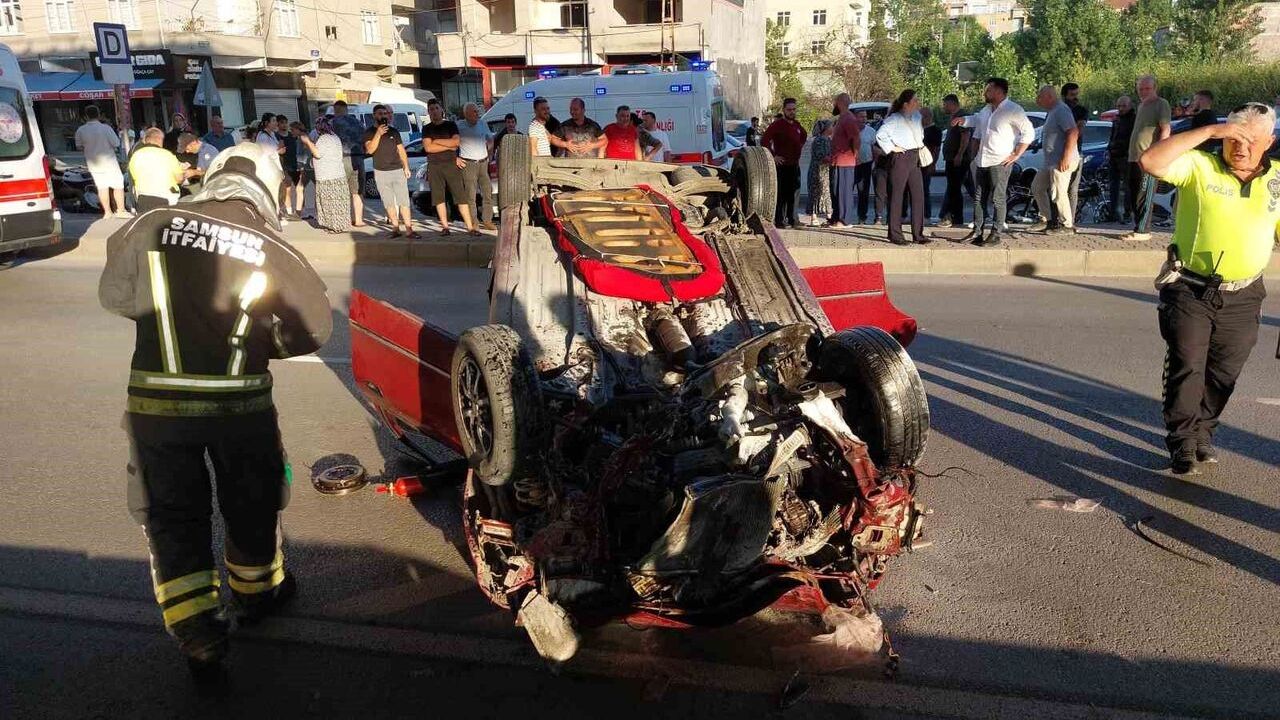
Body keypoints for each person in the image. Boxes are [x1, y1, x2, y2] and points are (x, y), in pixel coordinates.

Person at [98, 142, 332, 686]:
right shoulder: (275, 248)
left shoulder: (149, 224)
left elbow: (116, 296)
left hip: (157, 406)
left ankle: (198, 634)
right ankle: (258, 593)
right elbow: (313, 329)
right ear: (267, 187)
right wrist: (262, 343)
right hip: (240, 404)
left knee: (172, 512)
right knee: (252, 497)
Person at [1139, 102, 1277, 475]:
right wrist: (1211, 131)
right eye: (1233, 139)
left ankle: (1203, 431)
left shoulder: (1277, 180)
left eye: (1250, 140)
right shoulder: (1200, 166)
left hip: (1245, 294)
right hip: (1190, 288)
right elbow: (1150, 161)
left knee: (1224, 373)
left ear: (1269, 141)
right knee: (1187, 364)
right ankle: (1182, 441)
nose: (1240, 148)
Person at [952, 78, 1034, 247]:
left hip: (1000, 161)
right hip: (982, 160)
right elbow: (976, 121)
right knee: (978, 198)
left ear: (999, 91)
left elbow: (1029, 133)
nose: (985, 93)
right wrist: (963, 120)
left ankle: (996, 234)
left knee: (998, 198)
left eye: (988, 90)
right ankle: (977, 232)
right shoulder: (987, 109)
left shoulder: (1013, 110)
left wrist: (1016, 154)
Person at [875, 89, 929, 245]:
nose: (918, 103)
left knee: (918, 195)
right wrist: (892, 148)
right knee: (897, 195)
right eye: (915, 100)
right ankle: (895, 234)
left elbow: (920, 135)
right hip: (901, 157)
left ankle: (918, 234)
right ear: (906, 104)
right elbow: (880, 135)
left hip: (914, 156)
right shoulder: (895, 119)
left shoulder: (917, 117)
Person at [1122, 74, 1172, 241]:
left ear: (1155, 88)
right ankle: (1138, 227)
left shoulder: (1161, 104)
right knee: (1133, 193)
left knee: (1144, 194)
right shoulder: (1141, 106)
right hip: (1134, 157)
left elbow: (1165, 129)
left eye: (1147, 89)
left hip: (1149, 158)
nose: (1143, 92)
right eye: (1141, 89)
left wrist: (1160, 153)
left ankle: (1143, 230)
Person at [1028, 86, 1080, 235]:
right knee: (1037, 187)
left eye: (1040, 97)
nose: (1037, 100)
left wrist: (1066, 157)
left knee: (1059, 191)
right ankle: (1047, 219)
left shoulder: (1061, 110)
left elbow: (1073, 132)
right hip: (1050, 161)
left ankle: (1067, 225)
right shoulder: (1052, 111)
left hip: (1061, 160)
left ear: (1049, 96)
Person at [423, 98, 477, 236]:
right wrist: (448, 145)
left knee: (460, 196)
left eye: (436, 108)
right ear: (428, 112)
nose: (434, 111)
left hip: (451, 164)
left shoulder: (450, 125)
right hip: (434, 166)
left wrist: (436, 141)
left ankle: (470, 227)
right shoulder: (427, 128)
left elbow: (456, 143)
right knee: (438, 198)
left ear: (441, 109)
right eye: (431, 109)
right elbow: (428, 148)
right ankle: (445, 227)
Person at [364, 103, 417, 238]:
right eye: (380, 114)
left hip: (397, 170)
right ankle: (395, 228)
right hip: (381, 172)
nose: (383, 116)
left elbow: (401, 150)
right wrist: (378, 133)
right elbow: (370, 150)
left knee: (404, 201)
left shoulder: (394, 131)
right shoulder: (369, 132)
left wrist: (406, 166)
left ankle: (409, 229)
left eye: (385, 114)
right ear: (374, 116)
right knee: (388, 202)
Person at [74, 105, 127, 219]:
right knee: (118, 186)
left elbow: (79, 146)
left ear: (86, 116)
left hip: (93, 164)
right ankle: (121, 210)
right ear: (98, 115)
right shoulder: (106, 128)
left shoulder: (80, 130)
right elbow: (116, 143)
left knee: (102, 187)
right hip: (110, 162)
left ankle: (107, 212)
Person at [761, 97, 807, 228]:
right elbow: (764, 141)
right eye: (789, 110)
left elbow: (803, 137)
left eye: (794, 109)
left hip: (794, 165)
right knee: (781, 194)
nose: (792, 112)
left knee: (794, 193)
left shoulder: (797, 125)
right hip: (782, 166)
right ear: (784, 110)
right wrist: (773, 156)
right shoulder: (777, 125)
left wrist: (797, 148)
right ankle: (779, 220)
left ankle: (793, 219)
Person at [128, 127, 188, 213]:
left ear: (146, 140)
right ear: (160, 140)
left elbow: (133, 177)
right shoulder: (168, 155)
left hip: (143, 198)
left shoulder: (135, 156)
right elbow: (179, 179)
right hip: (166, 198)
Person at [457, 102, 496, 231]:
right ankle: (474, 222)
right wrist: (455, 158)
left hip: (483, 163)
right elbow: (452, 142)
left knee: (487, 192)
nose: (477, 113)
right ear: (466, 114)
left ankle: (487, 221)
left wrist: (490, 154)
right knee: (471, 195)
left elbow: (490, 139)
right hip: (468, 164)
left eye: (477, 111)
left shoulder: (482, 123)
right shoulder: (459, 126)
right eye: (474, 111)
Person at [311, 116, 352, 232]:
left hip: (328, 177)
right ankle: (340, 225)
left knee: (330, 203)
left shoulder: (324, 139)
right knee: (339, 202)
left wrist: (308, 143)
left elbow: (317, 154)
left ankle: (335, 227)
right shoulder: (335, 137)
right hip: (338, 174)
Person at [331, 100, 367, 227]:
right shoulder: (358, 123)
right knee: (357, 191)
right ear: (346, 109)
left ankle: (343, 220)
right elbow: (365, 139)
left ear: (336, 110)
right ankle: (358, 220)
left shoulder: (332, 123)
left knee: (341, 190)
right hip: (358, 158)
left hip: (341, 159)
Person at [937, 94, 970, 227]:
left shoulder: (961, 116)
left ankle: (951, 216)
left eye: (945, 105)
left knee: (954, 188)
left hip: (957, 159)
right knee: (954, 188)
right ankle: (956, 218)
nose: (944, 107)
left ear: (952, 104)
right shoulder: (953, 117)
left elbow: (965, 136)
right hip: (951, 158)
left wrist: (959, 154)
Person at [828, 94, 860, 228]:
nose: (834, 105)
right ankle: (836, 218)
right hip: (837, 161)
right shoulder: (841, 118)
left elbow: (855, 138)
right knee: (836, 191)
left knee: (844, 192)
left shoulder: (849, 118)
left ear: (840, 102)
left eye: (835, 102)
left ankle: (845, 220)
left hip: (845, 161)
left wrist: (855, 155)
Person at [1107, 95, 1137, 224]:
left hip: (1126, 156)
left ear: (1130, 106)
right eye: (1119, 106)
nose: (1121, 108)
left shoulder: (1134, 120)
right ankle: (1113, 212)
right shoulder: (1117, 119)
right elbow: (1113, 136)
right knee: (1113, 185)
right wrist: (1109, 149)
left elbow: (1132, 138)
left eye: (1124, 106)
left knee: (1127, 186)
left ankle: (1127, 213)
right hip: (1114, 155)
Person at [1061, 82, 1088, 223]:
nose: (1075, 98)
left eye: (1076, 94)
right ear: (1064, 95)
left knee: (1072, 188)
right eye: (1072, 95)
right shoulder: (1058, 109)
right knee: (1058, 188)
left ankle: (1069, 220)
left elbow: (1079, 130)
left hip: (1075, 152)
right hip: (1058, 152)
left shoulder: (1081, 111)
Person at [806, 119, 834, 226]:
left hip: (825, 170)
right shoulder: (820, 140)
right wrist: (834, 160)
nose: (833, 128)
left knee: (825, 192)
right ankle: (814, 217)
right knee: (816, 192)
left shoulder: (828, 140)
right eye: (831, 126)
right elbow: (821, 156)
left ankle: (829, 216)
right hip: (817, 170)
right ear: (826, 129)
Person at [289, 121, 316, 219]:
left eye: (292, 130)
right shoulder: (307, 136)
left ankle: (299, 212)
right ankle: (315, 211)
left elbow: (303, 154)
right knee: (316, 188)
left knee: (299, 189)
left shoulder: (301, 139)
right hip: (312, 166)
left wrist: (300, 167)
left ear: (297, 129)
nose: (291, 132)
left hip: (307, 167)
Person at [920, 107, 942, 221]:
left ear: (927, 117)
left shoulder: (935, 131)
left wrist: (933, 164)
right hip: (917, 163)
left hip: (927, 163)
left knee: (924, 189)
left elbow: (936, 149)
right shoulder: (919, 129)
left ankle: (926, 214)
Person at [855, 109, 877, 223]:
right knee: (847, 190)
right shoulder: (851, 130)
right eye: (861, 116)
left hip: (866, 164)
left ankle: (862, 217)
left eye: (865, 117)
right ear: (855, 118)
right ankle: (844, 216)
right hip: (852, 165)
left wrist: (874, 163)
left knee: (863, 191)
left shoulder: (871, 131)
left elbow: (874, 148)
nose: (864, 119)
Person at [276, 115, 300, 218]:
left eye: (285, 122)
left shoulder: (292, 135)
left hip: (296, 164)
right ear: (277, 124)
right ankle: (289, 211)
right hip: (284, 165)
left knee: (300, 188)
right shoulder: (276, 136)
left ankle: (300, 211)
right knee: (288, 188)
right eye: (282, 122)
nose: (284, 125)